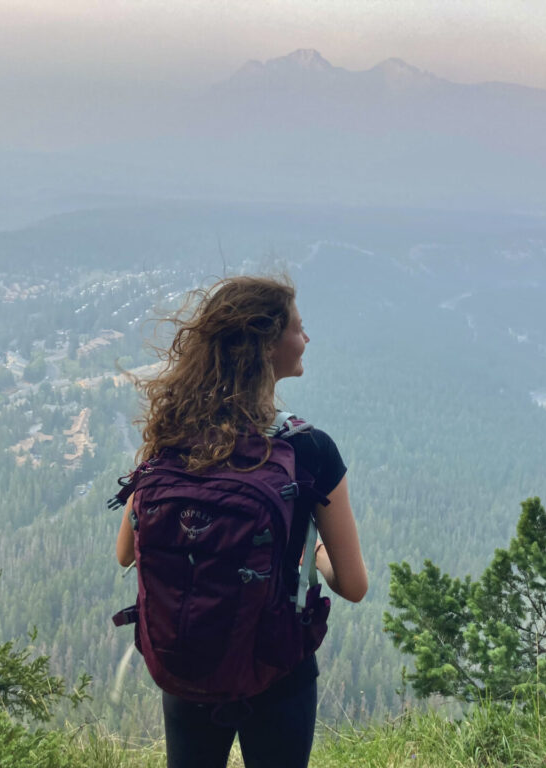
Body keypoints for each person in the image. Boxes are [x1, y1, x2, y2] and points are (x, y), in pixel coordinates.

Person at [115, 275, 367, 768]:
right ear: (268, 345)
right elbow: (353, 585)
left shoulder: (175, 435)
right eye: (299, 327)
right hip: (278, 670)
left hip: (188, 665)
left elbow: (126, 552)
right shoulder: (309, 449)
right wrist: (311, 554)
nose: (307, 338)